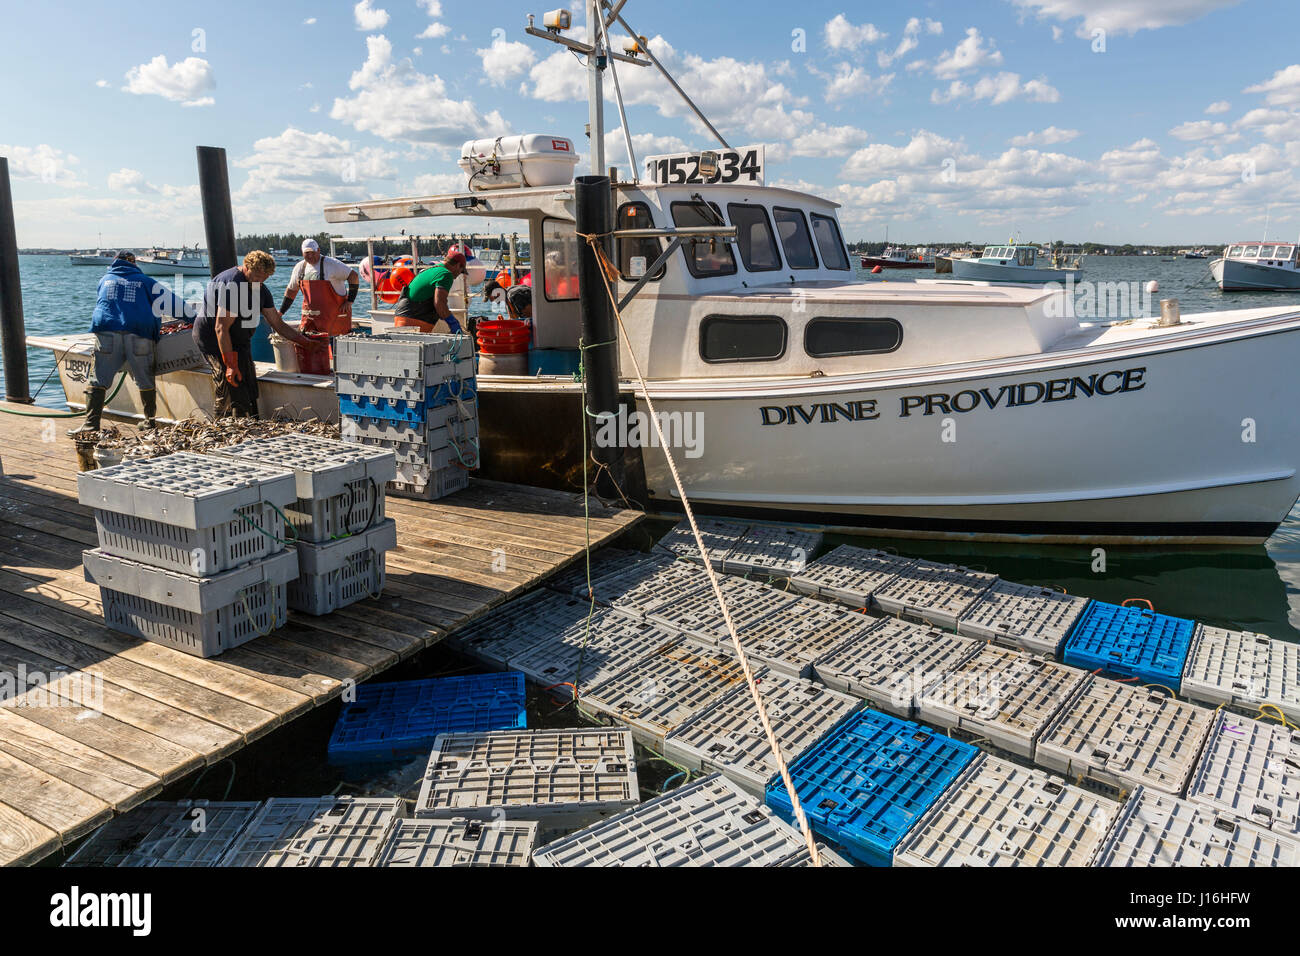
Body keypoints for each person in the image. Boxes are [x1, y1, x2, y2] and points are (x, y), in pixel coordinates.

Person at [68, 251, 191, 435]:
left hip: (107, 332)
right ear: (134, 264)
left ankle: (91, 425)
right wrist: (194, 319)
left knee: (98, 380)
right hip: (139, 333)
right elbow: (173, 303)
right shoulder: (146, 281)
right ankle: (149, 423)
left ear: (114, 262)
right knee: (145, 379)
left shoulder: (105, 280)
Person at [192, 250, 318, 419]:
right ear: (246, 266)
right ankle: (221, 424)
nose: (259, 279)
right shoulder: (233, 285)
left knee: (249, 383)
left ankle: (249, 418)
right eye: (256, 274)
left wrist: (305, 342)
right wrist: (230, 364)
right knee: (229, 383)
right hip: (214, 340)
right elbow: (221, 328)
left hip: (239, 339)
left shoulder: (261, 290)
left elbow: (277, 323)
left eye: (264, 276)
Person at [278, 239, 360, 335]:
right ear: (302, 253)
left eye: (313, 252)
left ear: (319, 250)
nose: (310, 255)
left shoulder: (331, 264)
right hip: (310, 321)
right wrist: (281, 312)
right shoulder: (299, 268)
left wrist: (350, 301)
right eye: (307, 253)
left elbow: (353, 276)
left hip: (334, 320)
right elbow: (291, 291)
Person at [393, 250, 467, 333]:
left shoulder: (430, 270)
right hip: (414, 324)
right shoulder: (445, 274)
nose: (458, 275)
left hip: (401, 319)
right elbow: (440, 304)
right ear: (458, 265)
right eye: (461, 271)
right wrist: (453, 323)